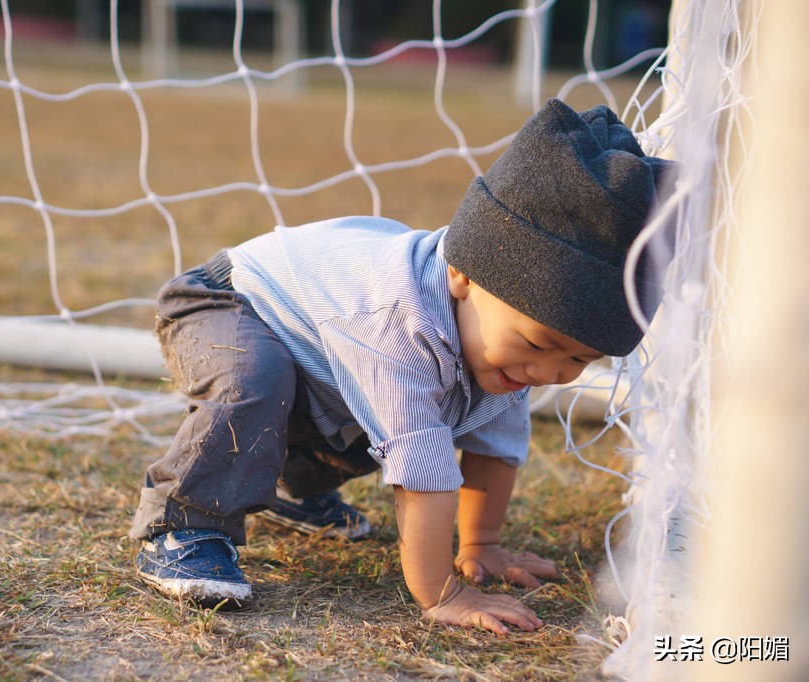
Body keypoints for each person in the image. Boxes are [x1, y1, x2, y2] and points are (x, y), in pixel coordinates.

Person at [129, 98, 677, 635]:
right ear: (464, 275)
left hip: (322, 350)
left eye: (580, 360)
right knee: (262, 381)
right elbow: (419, 459)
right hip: (229, 302)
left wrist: (480, 544)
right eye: (539, 343)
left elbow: (496, 447)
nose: (551, 372)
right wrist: (443, 593)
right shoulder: (398, 321)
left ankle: (290, 486)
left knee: (389, 411)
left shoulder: (504, 349)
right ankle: (181, 526)